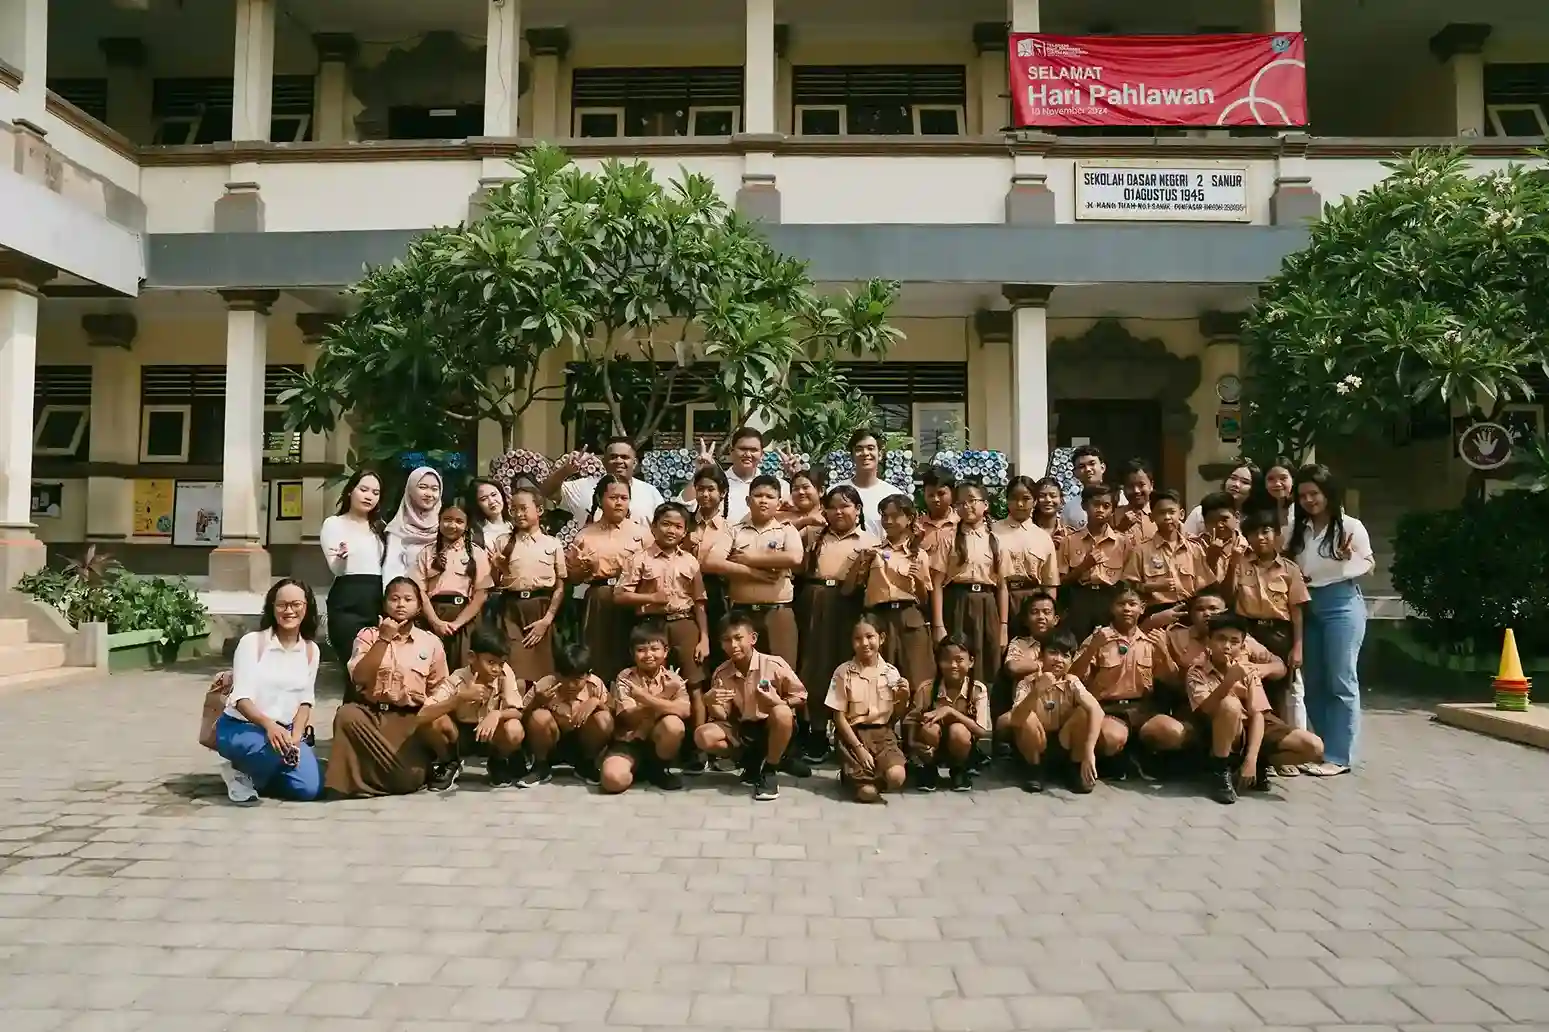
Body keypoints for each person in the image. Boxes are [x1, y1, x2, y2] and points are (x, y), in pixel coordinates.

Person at [325, 577, 455, 798]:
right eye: (394, 599)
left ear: (419, 606)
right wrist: (383, 639)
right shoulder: (368, 636)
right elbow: (359, 677)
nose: (401, 604)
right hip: (373, 717)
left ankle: (390, 774)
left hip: (409, 721)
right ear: (384, 604)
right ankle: (361, 777)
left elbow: (439, 690)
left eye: (408, 599)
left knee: (406, 779)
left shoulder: (430, 643)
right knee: (347, 715)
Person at [1287, 464, 1373, 777]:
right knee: (1314, 681)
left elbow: (1369, 564)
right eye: (1304, 495)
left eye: (1315, 494)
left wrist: (1347, 557)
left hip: (1342, 602)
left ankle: (1340, 755)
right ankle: (1322, 749)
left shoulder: (1350, 526)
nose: (1309, 500)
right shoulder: (1296, 527)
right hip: (1307, 605)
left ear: (1328, 494)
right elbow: (1286, 561)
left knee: (1341, 678)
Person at [1186, 613, 1325, 804]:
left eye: (1234, 641)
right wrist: (1229, 681)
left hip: (1252, 726)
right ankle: (1219, 772)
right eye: (1221, 639)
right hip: (1218, 729)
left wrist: (1252, 758)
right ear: (1209, 641)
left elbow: (1258, 713)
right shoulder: (1197, 670)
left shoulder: (1248, 669)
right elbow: (1207, 709)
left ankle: (1258, 765)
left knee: (1313, 747)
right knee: (1229, 705)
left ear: (1242, 645)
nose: (1227, 646)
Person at [214, 578, 322, 803]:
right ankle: (238, 770)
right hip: (242, 727)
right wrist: (270, 726)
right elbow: (241, 698)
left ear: (307, 607)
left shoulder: (311, 650)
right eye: (282, 605)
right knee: (276, 748)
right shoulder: (252, 643)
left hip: (285, 730)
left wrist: (296, 736)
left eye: (296, 604)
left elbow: (305, 701)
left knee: (308, 789)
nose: (289, 610)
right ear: (272, 608)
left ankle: (258, 775)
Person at [1070, 582, 1189, 778]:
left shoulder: (1152, 640)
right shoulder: (1099, 638)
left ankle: (1142, 756)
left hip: (1143, 709)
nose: (1127, 608)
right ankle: (1116, 761)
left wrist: (1164, 652)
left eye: (1132, 604)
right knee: (1111, 738)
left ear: (1142, 608)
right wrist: (1092, 648)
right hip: (1109, 709)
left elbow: (1172, 680)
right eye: (1121, 604)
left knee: (1173, 732)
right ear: (1112, 608)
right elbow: (1073, 676)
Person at [796, 484, 875, 758]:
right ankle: (816, 731)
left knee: (844, 665)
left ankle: (846, 734)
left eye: (845, 505)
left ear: (858, 510)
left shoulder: (869, 540)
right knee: (814, 666)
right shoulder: (812, 534)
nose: (838, 511)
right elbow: (782, 532)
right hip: (814, 599)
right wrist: (806, 519)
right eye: (832, 506)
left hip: (849, 604)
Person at [695, 611, 808, 801]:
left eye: (738, 638)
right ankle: (753, 764)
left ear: (753, 638)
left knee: (781, 713)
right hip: (743, 728)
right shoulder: (721, 673)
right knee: (703, 735)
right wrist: (709, 702)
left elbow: (801, 696)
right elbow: (722, 716)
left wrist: (779, 703)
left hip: (772, 725)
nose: (733, 645)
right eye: (726, 640)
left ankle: (771, 769)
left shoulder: (774, 664)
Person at [703, 475, 804, 674]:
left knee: (782, 673)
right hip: (743, 613)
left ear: (779, 502)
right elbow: (711, 562)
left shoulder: (786, 530)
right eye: (758, 495)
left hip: (778, 613)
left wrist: (749, 558)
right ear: (748, 501)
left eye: (769, 496)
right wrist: (755, 574)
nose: (763, 500)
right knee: (743, 672)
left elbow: (794, 558)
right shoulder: (734, 531)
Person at [616, 501, 710, 701]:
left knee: (694, 683)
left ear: (685, 532)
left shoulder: (690, 561)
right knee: (654, 683)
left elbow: (700, 601)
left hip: (684, 623)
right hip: (651, 625)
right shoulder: (639, 559)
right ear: (654, 527)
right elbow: (620, 595)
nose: (671, 531)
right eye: (666, 524)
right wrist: (651, 598)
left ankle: (698, 731)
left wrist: (704, 637)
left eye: (678, 527)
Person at [1224, 509, 1310, 726]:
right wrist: (1232, 563)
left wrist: (1297, 647)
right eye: (1253, 533)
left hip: (1279, 633)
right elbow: (1226, 596)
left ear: (1277, 534)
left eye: (1266, 531)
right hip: (1248, 632)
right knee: (1249, 685)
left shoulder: (1290, 569)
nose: (1260, 538)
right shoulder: (1240, 563)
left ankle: (1281, 738)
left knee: (1280, 688)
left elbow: (1296, 610)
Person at [419, 626, 528, 788]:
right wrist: (460, 698)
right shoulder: (457, 678)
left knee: (514, 729)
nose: (496, 669)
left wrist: (497, 714)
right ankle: (450, 762)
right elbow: (422, 715)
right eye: (490, 662)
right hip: (461, 735)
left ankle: (497, 761)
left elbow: (518, 712)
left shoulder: (505, 673)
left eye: (501, 663)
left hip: (491, 734)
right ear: (471, 657)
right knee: (434, 721)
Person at [568, 476, 650, 685]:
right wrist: (582, 568)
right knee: (598, 654)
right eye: (613, 497)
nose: (619, 502)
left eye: (624, 498)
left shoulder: (642, 533)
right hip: (599, 598)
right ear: (600, 498)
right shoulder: (585, 535)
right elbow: (572, 578)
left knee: (631, 654)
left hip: (632, 599)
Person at [1002, 629, 1102, 794]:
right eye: (1053, 653)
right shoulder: (1027, 682)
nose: (1059, 660)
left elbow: (1097, 711)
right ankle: (1034, 770)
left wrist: (1089, 751)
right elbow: (1016, 719)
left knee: (1085, 713)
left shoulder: (1072, 682)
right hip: (1036, 744)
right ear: (1041, 656)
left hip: (1064, 742)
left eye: (1065, 655)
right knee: (1027, 718)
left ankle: (1074, 768)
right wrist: (1037, 691)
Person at [827, 614, 912, 803]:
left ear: (881, 638)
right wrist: (859, 749)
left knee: (897, 776)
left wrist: (904, 699)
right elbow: (838, 717)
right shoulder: (843, 672)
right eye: (858, 638)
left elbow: (894, 717)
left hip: (882, 734)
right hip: (853, 734)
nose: (864, 643)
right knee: (868, 794)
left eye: (870, 637)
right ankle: (853, 777)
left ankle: (871, 775)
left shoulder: (891, 673)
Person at [931, 479, 1008, 688]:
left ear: (986, 504)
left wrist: (1003, 626)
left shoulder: (996, 540)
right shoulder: (948, 537)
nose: (967, 506)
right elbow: (937, 584)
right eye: (961, 503)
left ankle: (983, 712)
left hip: (987, 603)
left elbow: (1002, 586)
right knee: (956, 658)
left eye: (972, 500)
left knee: (987, 660)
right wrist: (938, 625)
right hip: (957, 601)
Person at [600, 623, 693, 793]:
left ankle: (659, 769)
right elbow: (629, 717)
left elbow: (685, 712)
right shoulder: (625, 677)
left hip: (657, 740)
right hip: (629, 741)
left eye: (654, 649)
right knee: (612, 781)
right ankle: (637, 770)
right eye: (641, 650)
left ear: (665, 651)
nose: (648, 655)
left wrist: (645, 699)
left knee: (674, 725)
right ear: (632, 653)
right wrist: (665, 700)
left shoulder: (674, 680)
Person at [320, 470, 386, 694]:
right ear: (350, 491)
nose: (369, 496)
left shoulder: (381, 527)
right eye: (364, 489)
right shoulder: (333, 524)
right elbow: (336, 569)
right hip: (347, 600)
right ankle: (348, 722)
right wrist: (341, 557)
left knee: (378, 670)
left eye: (375, 492)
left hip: (377, 600)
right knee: (354, 670)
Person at [491, 486, 566, 681]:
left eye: (523, 508)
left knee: (545, 673)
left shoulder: (552, 544)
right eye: (513, 509)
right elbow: (496, 582)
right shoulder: (503, 543)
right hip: (512, 610)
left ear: (539, 510)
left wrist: (547, 620)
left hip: (541, 609)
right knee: (515, 668)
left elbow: (560, 586)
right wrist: (500, 566)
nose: (518, 513)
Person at [862, 493, 936, 689]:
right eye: (884, 516)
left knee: (916, 677)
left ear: (909, 518)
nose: (888, 521)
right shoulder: (873, 550)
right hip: (879, 618)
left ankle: (914, 719)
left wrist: (919, 581)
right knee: (880, 679)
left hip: (909, 617)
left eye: (894, 516)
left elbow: (924, 600)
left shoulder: (918, 554)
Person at [518, 642, 615, 787]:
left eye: (577, 680)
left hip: (581, 743)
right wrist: (536, 702)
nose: (570, 685)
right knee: (539, 717)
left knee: (604, 718)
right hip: (550, 744)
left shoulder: (595, 685)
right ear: (556, 673)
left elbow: (613, 716)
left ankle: (586, 765)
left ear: (587, 675)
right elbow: (522, 718)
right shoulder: (545, 685)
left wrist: (597, 703)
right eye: (565, 678)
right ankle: (541, 766)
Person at [904, 634, 990, 793]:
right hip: (931, 745)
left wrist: (950, 712)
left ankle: (959, 770)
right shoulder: (927, 689)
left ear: (971, 661)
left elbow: (981, 730)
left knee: (958, 731)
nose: (953, 665)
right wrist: (913, 745)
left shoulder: (977, 690)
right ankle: (929, 769)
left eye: (959, 660)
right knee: (929, 728)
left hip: (962, 745)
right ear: (938, 662)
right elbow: (910, 721)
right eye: (947, 660)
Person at [412, 502, 491, 671]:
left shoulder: (477, 554)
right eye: (447, 519)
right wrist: (435, 622)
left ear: (467, 524)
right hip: (433, 614)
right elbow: (419, 591)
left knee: (461, 670)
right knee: (429, 668)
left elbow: (481, 594)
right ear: (439, 521)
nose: (452, 525)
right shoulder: (427, 553)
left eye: (459, 521)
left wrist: (457, 623)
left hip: (464, 617)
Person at [1056, 483, 1131, 643]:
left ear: (1113, 509)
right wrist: (1084, 566)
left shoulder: (1122, 542)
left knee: (1110, 648)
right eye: (1095, 504)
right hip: (1080, 598)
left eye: (1106, 506)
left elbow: (1129, 580)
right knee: (1078, 646)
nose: (1100, 510)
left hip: (1111, 599)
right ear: (1084, 505)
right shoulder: (1069, 541)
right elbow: (1061, 581)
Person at [1122, 489, 1211, 618]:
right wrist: (1152, 587)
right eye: (1162, 513)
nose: (1167, 517)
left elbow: (1204, 587)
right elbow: (1129, 587)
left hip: (1190, 610)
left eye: (1171, 512)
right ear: (1152, 517)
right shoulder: (1141, 551)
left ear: (1181, 514)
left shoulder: (1194, 549)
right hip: (1156, 611)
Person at [540, 436, 665, 525]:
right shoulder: (583, 486)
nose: (619, 461)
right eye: (613, 457)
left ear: (635, 463)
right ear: (604, 462)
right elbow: (547, 492)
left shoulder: (650, 493)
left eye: (625, 457)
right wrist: (565, 471)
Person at [993, 475, 1060, 620]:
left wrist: (1048, 613)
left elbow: (1050, 582)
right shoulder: (992, 531)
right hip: (998, 597)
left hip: (1033, 601)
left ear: (1035, 501)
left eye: (1025, 498)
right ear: (1006, 500)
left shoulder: (1042, 537)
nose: (1020, 504)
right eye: (1014, 498)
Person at [693, 427, 791, 522]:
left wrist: (795, 475)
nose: (748, 454)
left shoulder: (780, 486)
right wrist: (700, 473)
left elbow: (799, 513)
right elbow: (687, 507)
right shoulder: (716, 485)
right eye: (743, 449)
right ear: (731, 451)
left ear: (762, 455)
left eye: (753, 450)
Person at [996, 590, 1059, 723]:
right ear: (1025, 620)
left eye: (1047, 612)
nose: (1041, 617)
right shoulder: (1019, 643)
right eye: (1034, 612)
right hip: (1025, 708)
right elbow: (1013, 667)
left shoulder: (1065, 642)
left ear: (1056, 619)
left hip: (1059, 708)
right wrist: (1045, 664)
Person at [835, 429, 907, 537]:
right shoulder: (836, 492)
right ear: (852, 456)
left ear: (880, 454)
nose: (865, 453)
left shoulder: (894, 494)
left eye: (870, 448)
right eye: (859, 449)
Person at [383, 466, 443, 583]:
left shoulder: (446, 526)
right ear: (410, 489)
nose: (429, 494)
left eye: (435, 489)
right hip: (409, 596)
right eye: (422, 487)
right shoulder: (398, 528)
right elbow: (391, 572)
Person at [1183, 461, 1259, 538]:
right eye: (1233, 478)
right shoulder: (1200, 512)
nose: (1236, 484)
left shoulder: (1256, 518)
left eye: (1245, 482)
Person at [1063, 445, 1126, 529]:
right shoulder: (1070, 508)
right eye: (1082, 466)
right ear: (1075, 473)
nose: (1088, 469)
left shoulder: (1121, 498)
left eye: (1092, 463)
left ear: (1103, 467)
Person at [916, 466, 960, 570]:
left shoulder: (962, 525)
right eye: (930, 495)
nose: (935, 499)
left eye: (941, 494)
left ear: (953, 493)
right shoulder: (916, 527)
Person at [1116, 459, 1157, 541]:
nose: (1136, 491)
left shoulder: (1162, 515)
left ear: (1151, 485)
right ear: (1123, 488)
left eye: (1141, 485)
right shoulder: (1114, 517)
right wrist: (1120, 530)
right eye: (1130, 486)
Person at [466, 477, 512, 551]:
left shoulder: (515, 525)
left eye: (494, 495)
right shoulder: (476, 535)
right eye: (484, 499)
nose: (491, 501)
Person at [779, 466, 828, 531]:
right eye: (796, 489)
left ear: (821, 491)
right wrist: (803, 522)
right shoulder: (780, 516)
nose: (801, 492)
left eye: (805, 487)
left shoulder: (831, 515)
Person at [1030, 476, 1068, 545]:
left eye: (1053, 496)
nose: (1048, 500)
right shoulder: (1026, 530)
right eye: (1042, 496)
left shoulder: (1069, 534)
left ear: (1061, 500)